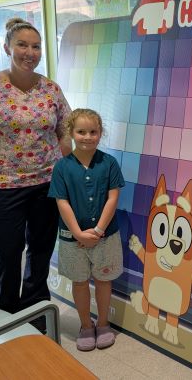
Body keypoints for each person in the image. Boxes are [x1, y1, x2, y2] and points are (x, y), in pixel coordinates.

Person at [0, 17, 72, 330]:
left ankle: (35, 312)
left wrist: (69, 176)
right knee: (7, 252)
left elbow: (64, 133)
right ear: (7, 47)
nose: (30, 52)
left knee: (40, 250)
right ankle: (6, 313)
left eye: (36, 46)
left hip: (47, 184)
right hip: (3, 184)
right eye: (22, 45)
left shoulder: (51, 89)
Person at [48, 108, 124, 351]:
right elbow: (62, 202)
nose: (87, 136)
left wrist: (99, 231)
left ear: (100, 133)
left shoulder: (109, 163)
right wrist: (80, 233)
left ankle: (103, 324)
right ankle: (85, 325)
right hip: (73, 239)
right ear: (71, 133)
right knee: (79, 282)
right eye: (81, 131)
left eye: (93, 132)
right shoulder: (62, 167)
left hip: (106, 237)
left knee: (103, 280)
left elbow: (113, 198)